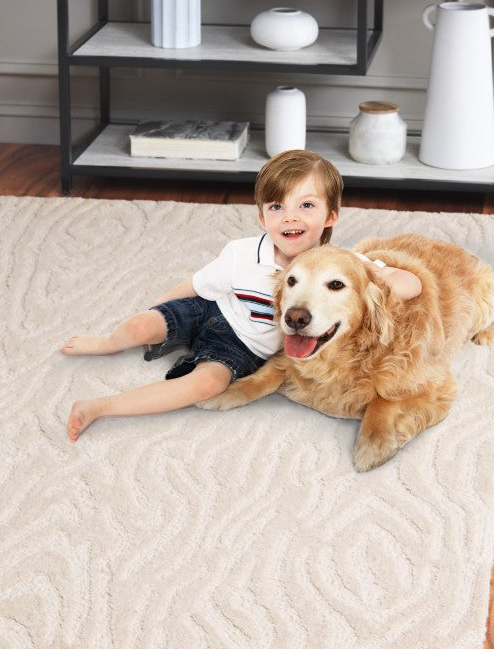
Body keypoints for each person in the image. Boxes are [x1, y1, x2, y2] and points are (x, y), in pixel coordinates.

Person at [60, 149, 422, 442]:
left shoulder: (343, 266)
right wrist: (158, 310)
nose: (290, 217)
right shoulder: (242, 253)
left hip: (241, 347)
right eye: (277, 207)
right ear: (263, 218)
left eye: (306, 206)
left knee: (208, 384)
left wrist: (376, 276)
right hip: (208, 310)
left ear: (331, 216)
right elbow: (195, 285)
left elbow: (412, 284)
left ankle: (102, 407)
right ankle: (106, 342)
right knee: (140, 326)